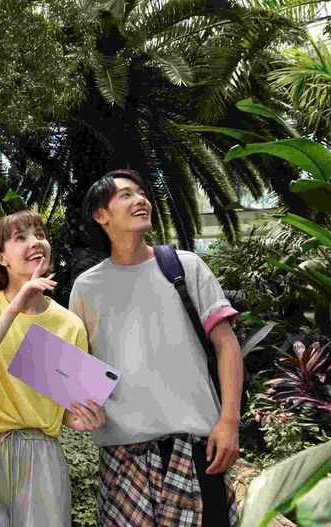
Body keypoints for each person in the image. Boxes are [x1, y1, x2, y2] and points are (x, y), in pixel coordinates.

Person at [69, 169, 243, 527]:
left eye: (142, 193)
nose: (141, 200)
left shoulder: (184, 267)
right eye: (126, 195)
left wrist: (230, 421)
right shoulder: (86, 288)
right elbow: (77, 372)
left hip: (197, 451)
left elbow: (227, 344)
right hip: (122, 462)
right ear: (101, 215)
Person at [0, 209, 107, 527]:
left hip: (41, 456)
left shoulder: (69, 324)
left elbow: (66, 410)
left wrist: (84, 418)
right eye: (21, 238)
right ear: (1, 258)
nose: (36, 242)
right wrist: (13, 309)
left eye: (40, 235)